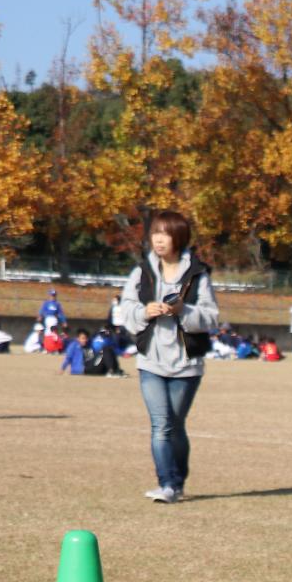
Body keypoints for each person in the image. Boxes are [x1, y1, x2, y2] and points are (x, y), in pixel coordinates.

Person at [116, 208, 219, 504]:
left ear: (179, 237)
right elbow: (125, 309)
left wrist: (182, 311)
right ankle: (167, 485)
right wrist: (144, 311)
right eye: (155, 234)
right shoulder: (141, 271)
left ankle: (178, 479)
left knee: (175, 425)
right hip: (151, 360)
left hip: (186, 364)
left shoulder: (198, 274)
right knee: (161, 424)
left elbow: (212, 317)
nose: (158, 240)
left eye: (165, 234)